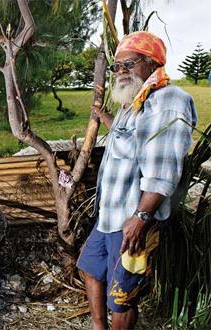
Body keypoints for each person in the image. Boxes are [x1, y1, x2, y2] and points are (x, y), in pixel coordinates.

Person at [75, 31, 197, 329]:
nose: (120, 72)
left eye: (128, 64)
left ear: (151, 62)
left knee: (122, 295)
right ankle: (97, 326)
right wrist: (104, 117)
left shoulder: (166, 100)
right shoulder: (134, 101)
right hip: (109, 215)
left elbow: (162, 169)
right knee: (89, 267)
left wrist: (141, 217)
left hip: (132, 219)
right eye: (117, 67)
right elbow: (127, 138)